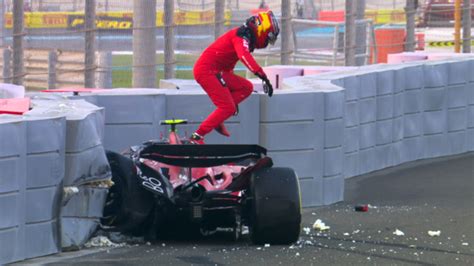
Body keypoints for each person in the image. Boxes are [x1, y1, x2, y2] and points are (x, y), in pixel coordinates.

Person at [190, 10, 279, 144]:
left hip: (215, 71)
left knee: (246, 87)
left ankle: (218, 120)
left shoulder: (244, 36)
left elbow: (228, 65)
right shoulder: (241, 37)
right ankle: (197, 137)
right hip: (207, 71)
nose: (267, 42)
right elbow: (244, 57)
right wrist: (263, 76)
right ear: (262, 31)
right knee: (227, 108)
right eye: (269, 37)